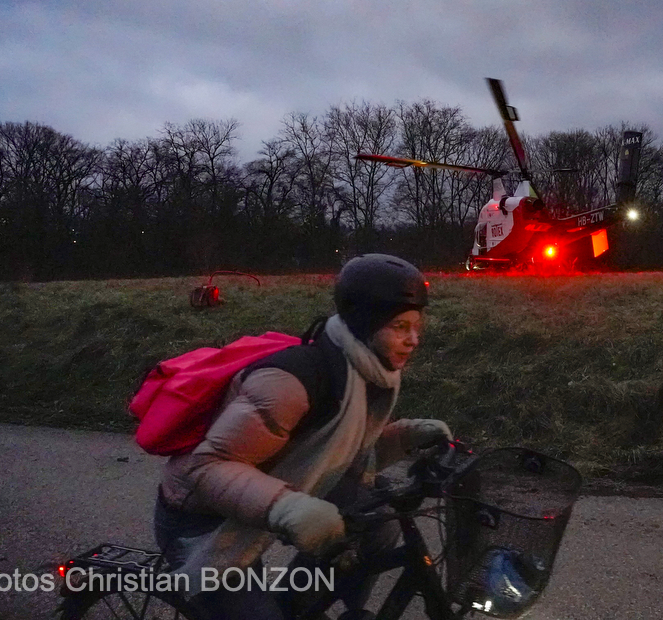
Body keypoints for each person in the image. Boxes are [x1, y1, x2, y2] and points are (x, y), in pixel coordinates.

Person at [153, 254, 451, 620]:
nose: (414, 340)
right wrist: (288, 508)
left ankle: (299, 605)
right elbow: (206, 467)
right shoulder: (289, 384)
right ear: (366, 324)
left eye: (417, 327)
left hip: (262, 496)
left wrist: (404, 439)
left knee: (379, 526)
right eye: (400, 327)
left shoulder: (368, 371)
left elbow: (339, 452)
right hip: (203, 517)